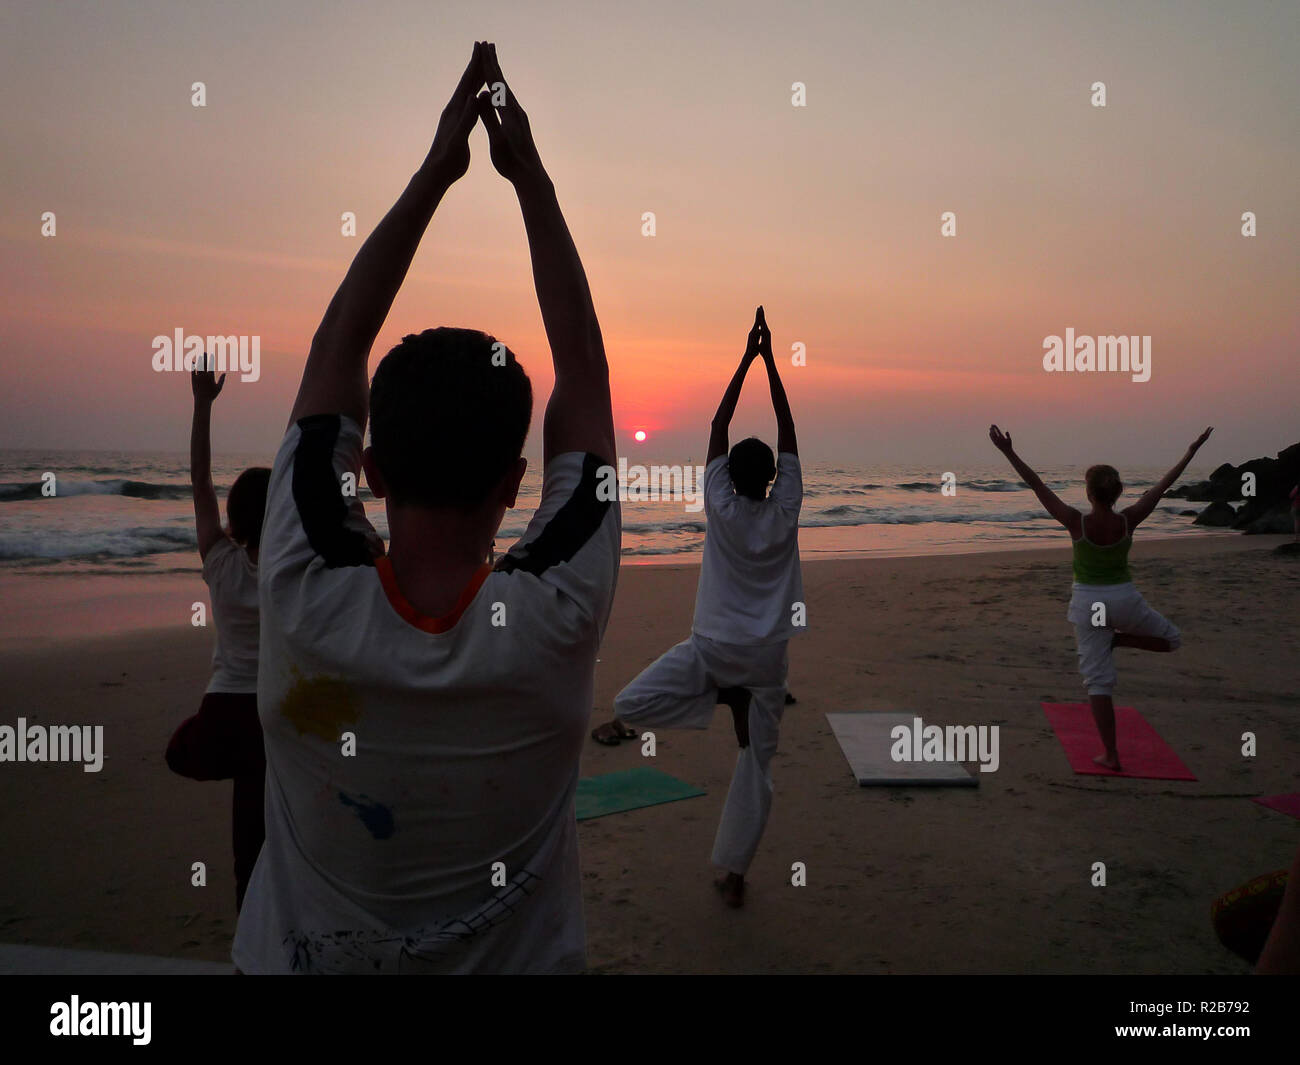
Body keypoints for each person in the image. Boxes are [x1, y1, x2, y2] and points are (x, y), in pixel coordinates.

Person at [230, 42, 619, 974]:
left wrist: (438, 171)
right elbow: (587, 379)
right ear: (515, 485)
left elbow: (337, 346)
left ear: (368, 466)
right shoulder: (558, 609)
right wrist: (532, 181)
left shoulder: (304, 579)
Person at [612, 307, 802, 908]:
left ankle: (722, 695)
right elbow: (789, 432)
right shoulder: (786, 508)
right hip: (766, 660)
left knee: (629, 704)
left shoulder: (719, 504)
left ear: (730, 476)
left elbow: (716, 427)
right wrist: (772, 363)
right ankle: (736, 875)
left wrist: (745, 358)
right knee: (757, 769)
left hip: (714, 648)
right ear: (773, 477)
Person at [989, 425, 1212, 771]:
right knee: (1172, 640)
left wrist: (1008, 452)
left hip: (1087, 606)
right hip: (1124, 600)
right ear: (1118, 493)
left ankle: (1111, 754)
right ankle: (1120, 641)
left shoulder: (1075, 522)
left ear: (1089, 493)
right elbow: (1163, 486)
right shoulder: (1129, 520)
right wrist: (1191, 452)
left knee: (1098, 681)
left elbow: (1037, 486)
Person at [165, 364, 269, 913]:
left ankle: (248, 914)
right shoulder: (290, 571)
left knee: (193, 757)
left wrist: (202, 404)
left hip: (225, 706)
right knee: (262, 818)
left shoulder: (221, 560)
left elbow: (199, 482)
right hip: (276, 711)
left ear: (235, 515)